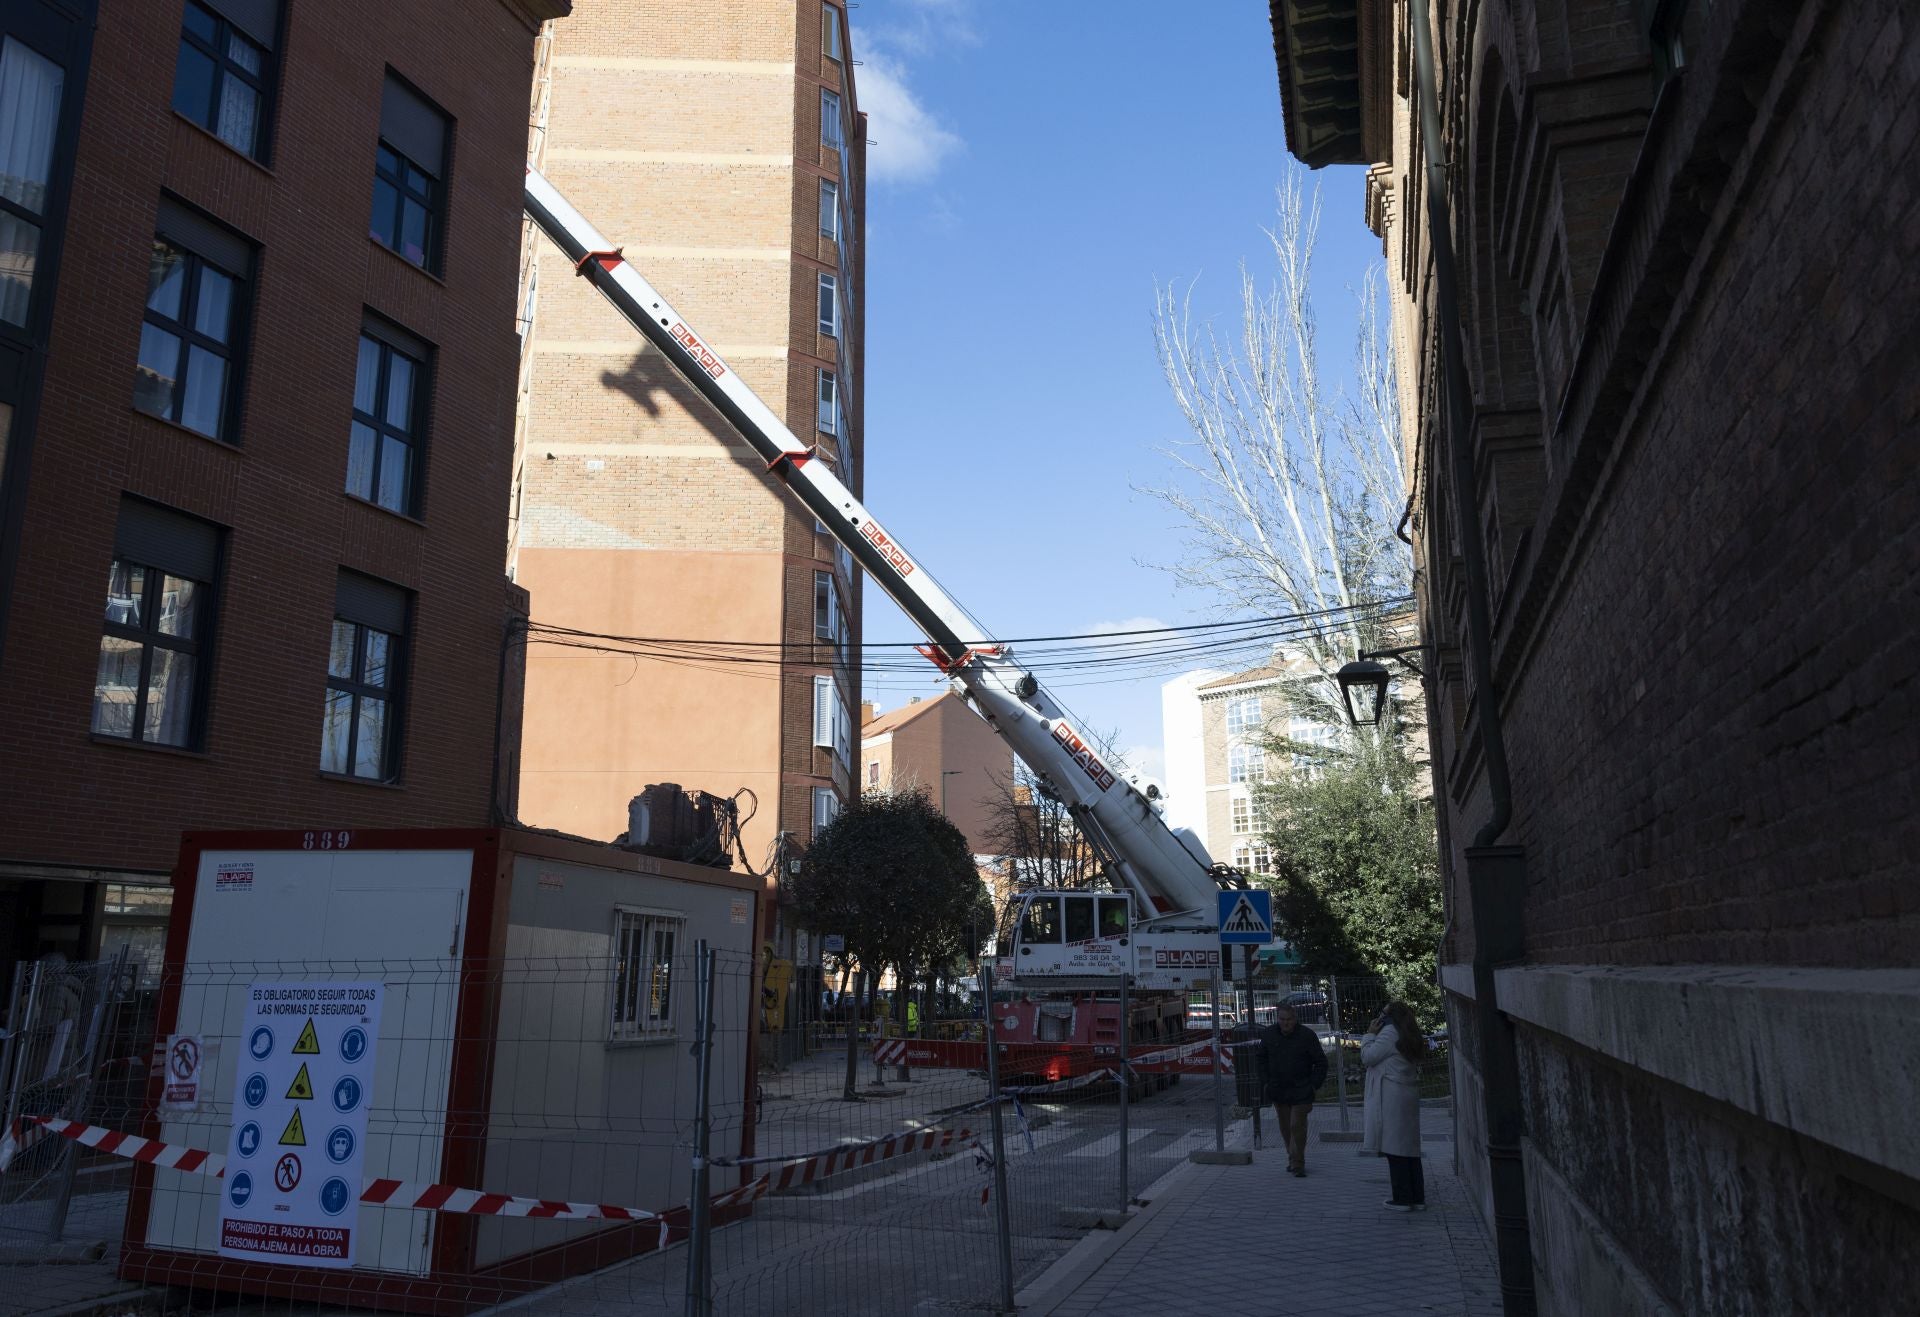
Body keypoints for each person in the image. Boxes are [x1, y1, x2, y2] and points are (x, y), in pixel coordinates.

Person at [1362, 1000, 1428, 1210]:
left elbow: (1368, 1057)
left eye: (1383, 1014)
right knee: (1409, 1147)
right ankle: (1417, 1196)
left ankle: (1402, 1197)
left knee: (1394, 1147)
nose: (1379, 1017)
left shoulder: (1389, 1032)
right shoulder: (1407, 1031)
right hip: (1405, 1092)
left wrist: (1369, 1035)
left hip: (1391, 1094)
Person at [1258, 1004, 1328, 1176]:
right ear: (1277, 1019)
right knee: (1285, 1127)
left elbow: (1321, 1062)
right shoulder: (1269, 1035)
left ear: (1294, 1019)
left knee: (1297, 1124)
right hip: (1279, 1089)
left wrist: (1313, 1084)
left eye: (1288, 1020)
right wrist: (1266, 1082)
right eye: (1282, 1019)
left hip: (1301, 1089)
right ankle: (1292, 1157)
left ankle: (1298, 1162)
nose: (1285, 1023)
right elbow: (1261, 1060)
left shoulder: (1306, 1036)